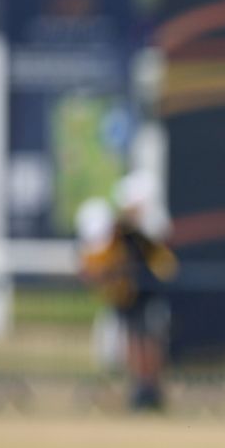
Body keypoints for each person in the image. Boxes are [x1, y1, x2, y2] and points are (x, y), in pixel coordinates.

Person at [77, 173, 178, 411]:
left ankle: (152, 387)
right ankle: (139, 386)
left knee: (150, 339)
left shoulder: (149, 228)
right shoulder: (121, 231)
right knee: (133, 339)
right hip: (129, 295)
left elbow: (163, 262)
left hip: (150, 292)